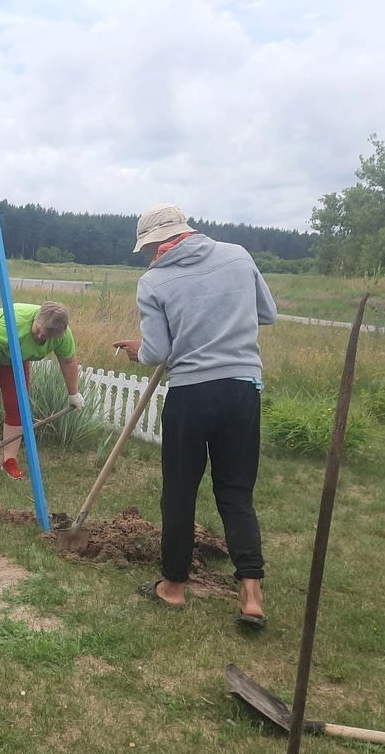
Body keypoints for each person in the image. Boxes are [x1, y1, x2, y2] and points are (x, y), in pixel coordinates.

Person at [112, 203, 277, 628]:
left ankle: (173, 587)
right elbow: (266, 314)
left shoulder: (153, 281)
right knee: (237, 492)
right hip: (242, 388)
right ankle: (251, 594)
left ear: (156, 244)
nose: (149, 257)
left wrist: (137, 352)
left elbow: (158, 353)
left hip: (191, 393)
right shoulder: (238, 255)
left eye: (148, 249)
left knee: (181, 491)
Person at [0, 300, 85, 481]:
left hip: (13, 357)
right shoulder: (14, 322)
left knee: (18, 406)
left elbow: (68, 361)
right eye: (37, 332)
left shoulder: (62, 335)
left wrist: (73, 394)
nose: (40, 338)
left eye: (46, 337)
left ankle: (8, 460)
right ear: (36, 318)